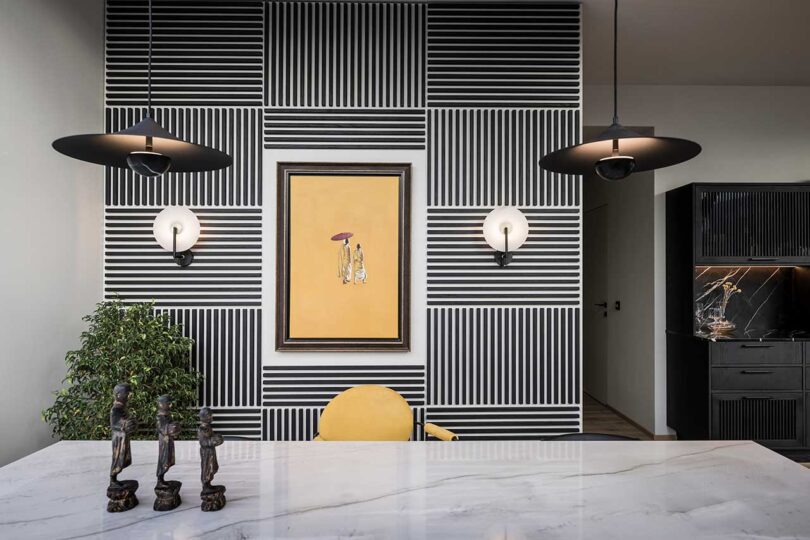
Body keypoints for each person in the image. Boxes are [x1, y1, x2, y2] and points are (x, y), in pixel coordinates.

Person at [110, 383, 136, 486]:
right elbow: (114, 424)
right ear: (118, 394)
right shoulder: (115, 409)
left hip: (123, 437)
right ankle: (113, 479)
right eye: (127, 393)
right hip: (118, 439)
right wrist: (125, 424)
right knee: (117, 458)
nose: (130, 395)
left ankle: (114, 479)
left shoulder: (122, 408)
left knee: (121, 458)